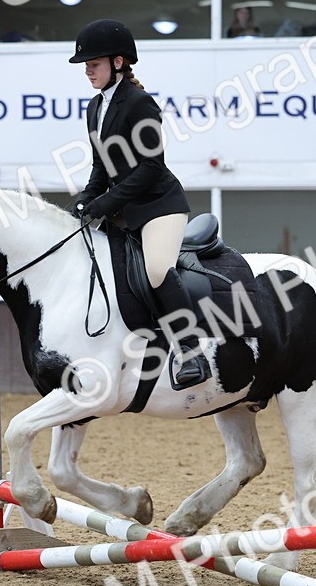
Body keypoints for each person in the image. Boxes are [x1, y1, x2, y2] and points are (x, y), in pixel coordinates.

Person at [66, 19, 210, 389]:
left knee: (158, 270)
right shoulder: (95, 108)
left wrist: (105, 203)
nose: (87, 71)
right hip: (124, 211)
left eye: (93, 64)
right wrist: (85, 201)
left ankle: (190, 350)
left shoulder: (140, 103)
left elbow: (150, 167)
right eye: (85, 65)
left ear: (117, 62)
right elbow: (102, 166)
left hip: (159, 206)